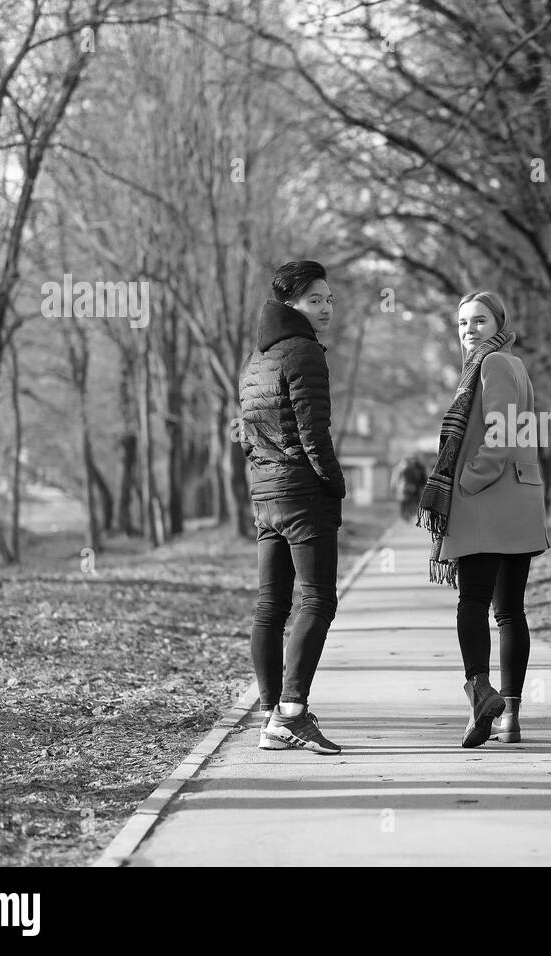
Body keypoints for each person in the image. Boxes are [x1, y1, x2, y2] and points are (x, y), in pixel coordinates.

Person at [415, 291, 550, 747]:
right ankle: (508, 716)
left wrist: (466, 483)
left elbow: (502, 431)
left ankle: (481, 693)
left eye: (478, 321)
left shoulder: (491, 366)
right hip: (518, 499)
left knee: (473, 604)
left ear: (498, 324)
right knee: (510, 611)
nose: (468, 330)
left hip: (487, 499)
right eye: (462, 323)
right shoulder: (512, 365)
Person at [237, 260, 346, 755]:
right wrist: (333, 483)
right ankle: (293, 712)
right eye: (314, 300)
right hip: (302, 493)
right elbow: (312, 432)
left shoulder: (256, 358)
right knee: (318, 599)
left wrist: (262, 482)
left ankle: (270, 717)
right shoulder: (304, 353)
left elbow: (247, 436)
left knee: (271, 605)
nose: (325, 308)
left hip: (266, 494)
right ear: (290, 304)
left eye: (328, 299)